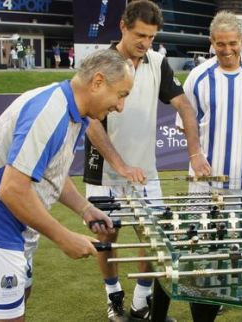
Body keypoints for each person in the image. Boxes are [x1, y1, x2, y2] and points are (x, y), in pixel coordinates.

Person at [0, 50, 134, 321]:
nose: (120, 106)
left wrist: (85, 208)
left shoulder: (75, 112)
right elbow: (11, 189)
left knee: (21, 295)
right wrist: (64, 238)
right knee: (10, 314)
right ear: (97, 82)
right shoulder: (50, 113)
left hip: (15, 223)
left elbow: (51, 173)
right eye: (121, 95)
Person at [82, 1, 211, 321]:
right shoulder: (98, 62)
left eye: (152, 37)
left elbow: (185, 108)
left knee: (153, 237)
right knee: (106, 238)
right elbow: (90, 121)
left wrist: (194, 153)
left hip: (146, 172)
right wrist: (121, 164)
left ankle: (142, 303)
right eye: (140, 35)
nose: (145, 43)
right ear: (123, 27)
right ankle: (114, 297)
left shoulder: (157, 62)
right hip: (103, 173)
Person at [176, 11, 242, 320]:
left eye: (232, 43)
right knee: (202, 246)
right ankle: (206, 304)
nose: (227, 50)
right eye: (220, 44)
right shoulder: (198, 76)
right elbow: (186, 125)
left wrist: (239, 151)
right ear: (211, 42)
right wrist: (203, 156)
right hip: (203, 182)